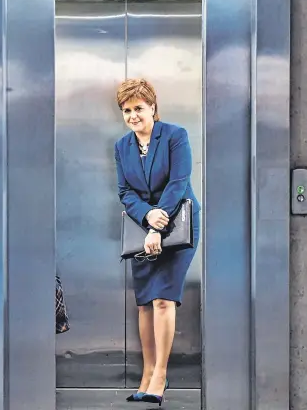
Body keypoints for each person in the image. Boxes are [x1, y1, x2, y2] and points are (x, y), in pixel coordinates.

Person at [114, 78, 200, 406]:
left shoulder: (175, 136)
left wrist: (157, 221)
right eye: (126, 110)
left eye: (138, 108)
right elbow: (125, 191)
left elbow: (179, 181)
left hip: (177, 224)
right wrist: (146, 218)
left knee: (163, 299)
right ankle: (147, 373)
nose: (133, 115)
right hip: (141, 226)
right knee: (144, 303)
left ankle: (161, 375)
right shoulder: (122, 146)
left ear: (153, 107)